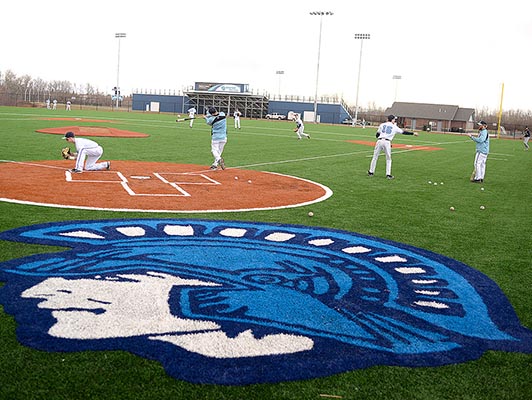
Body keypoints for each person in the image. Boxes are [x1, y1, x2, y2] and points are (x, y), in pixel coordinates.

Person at [368, 114, 418, 179]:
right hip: (387, 142)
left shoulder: (382, 125)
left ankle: (371, 172)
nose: (394, 120)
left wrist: (383, 137)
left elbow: (377, 134)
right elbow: (403, 132)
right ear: (392, 120)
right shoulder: (394, 127)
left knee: (375, 157)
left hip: (379, 141)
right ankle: (388, 174)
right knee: (388, 159)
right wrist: (413, 133)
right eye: (394, 119)